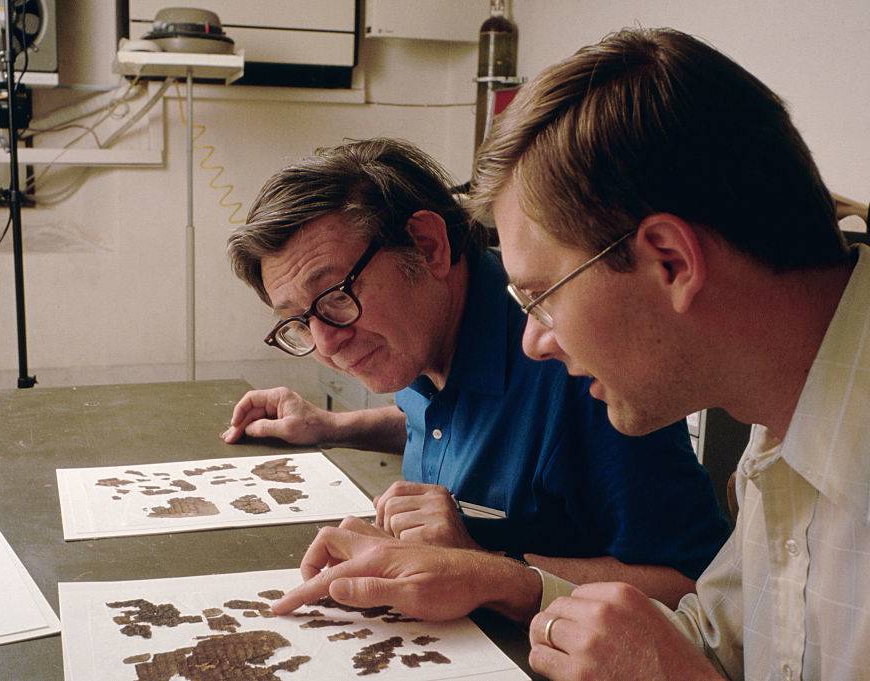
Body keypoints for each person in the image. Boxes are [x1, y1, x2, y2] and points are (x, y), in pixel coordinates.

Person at [273, 27, 869, 681]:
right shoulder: (786, 415)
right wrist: (502, 581)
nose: (531, 339)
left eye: (541, 297)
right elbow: (714, 638)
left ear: (669, 260)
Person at [224, 137, 730, 609]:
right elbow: (464, 424)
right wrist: (332, 427)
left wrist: (483, 566)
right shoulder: (421, 335)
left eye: (336, 295)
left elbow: (692, 586)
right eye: (298, 321)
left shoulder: (574, 361)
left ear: (427, 246)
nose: (327, 342)